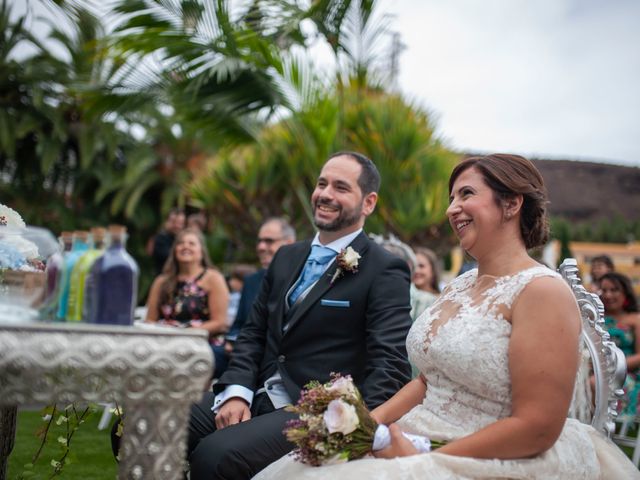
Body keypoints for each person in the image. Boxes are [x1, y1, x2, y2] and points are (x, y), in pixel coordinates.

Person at [255, 153, 639, 479]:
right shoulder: (458, 287)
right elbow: (428, 380)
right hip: (417, 429)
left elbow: (537, 428)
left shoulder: (541, 291)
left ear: (511, 204)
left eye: (466, 194)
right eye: (451, 197)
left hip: (488, 453)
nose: (452, 208)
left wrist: (427, 458)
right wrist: (365, 423)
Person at [188, 152, 413, 479]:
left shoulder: (384, 268)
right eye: (321, 184)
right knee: (144, 422)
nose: (325, 194)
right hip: (258, 394)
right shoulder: (286, 256)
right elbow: (253, 333)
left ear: (368, 203)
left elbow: (390, 362)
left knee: (215, 455)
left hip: (317, 411)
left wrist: (355, 428)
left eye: (340, 187)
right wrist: (237, 391)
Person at [215, 218, 297, 378]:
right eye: (259, 241)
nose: (261, 247)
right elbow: (238, 324)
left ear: (289, 243)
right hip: (243, 354)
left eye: (269, 241)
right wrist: (232, 340)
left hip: (279, 361)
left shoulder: (300, 280)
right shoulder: (251, 281)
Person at [599, 271, 640, 420]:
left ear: (625, 292)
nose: (608, 295)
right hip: (595, 370)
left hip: (626, 373)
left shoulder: (635, 319)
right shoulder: (594, 318)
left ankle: (599, 431)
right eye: (604, 290)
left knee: (595, 383)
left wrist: (612, 367)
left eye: (614, 290)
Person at [149, 208, 186, 275]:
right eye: (174, 222)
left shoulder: (183, 239)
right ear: (167, 222)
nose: (177, 226)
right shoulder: (161, 238)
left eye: (180, 223)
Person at [411, 247, 441, 319]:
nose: (416, 271)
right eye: (413, 266)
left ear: (433, 270)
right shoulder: (406, 296)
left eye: (421, 266)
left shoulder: (440, 300)